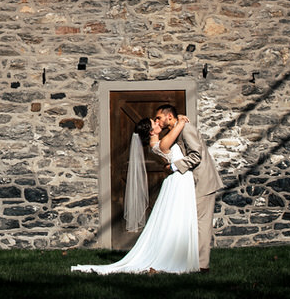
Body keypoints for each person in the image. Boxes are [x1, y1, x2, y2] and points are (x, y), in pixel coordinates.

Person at [71, 114, 199, 274]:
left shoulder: (158, 142)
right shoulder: (159, 145)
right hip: (179, 181)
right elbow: (178, 127)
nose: (158, 122)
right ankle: (174, 257)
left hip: (179, 179)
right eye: (155, 122)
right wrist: (179, 120)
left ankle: (181, 255)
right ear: (151, 131)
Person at [154, 104, 224, 272]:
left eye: (159, 117)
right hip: (192, 183)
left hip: (203, 182)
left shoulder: (186, 129)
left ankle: (202, 265)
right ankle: (190, 261)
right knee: (193, 223)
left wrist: (174, 167)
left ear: (169, 116)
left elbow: (197, 155)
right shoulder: (178, 128)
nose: (157, 120)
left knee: (202, 225)